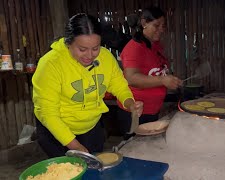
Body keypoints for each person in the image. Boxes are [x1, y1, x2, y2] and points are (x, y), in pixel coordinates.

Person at [32, 13, 143, 158]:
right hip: (56, 131)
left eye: (95, 48)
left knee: (93, 170)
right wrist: (75, 146)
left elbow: (119, 85)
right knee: (68, 172)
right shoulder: (50, 64)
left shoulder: (105, 58)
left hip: (90, 127)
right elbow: (48, 113)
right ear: (68, 43)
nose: (90, 55)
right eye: (82, 49)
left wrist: (130, 103)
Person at [117, 7, 182, 136]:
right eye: (156, 25)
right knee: (134, 149)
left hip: (151, 111)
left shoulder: (155, 45)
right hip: (136, 112)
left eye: (162, 26)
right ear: (144, 23)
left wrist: (169, 79)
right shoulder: (134, 47)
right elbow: (132, 78)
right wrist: (163, 80)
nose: (160, 30)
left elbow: (156, 71)